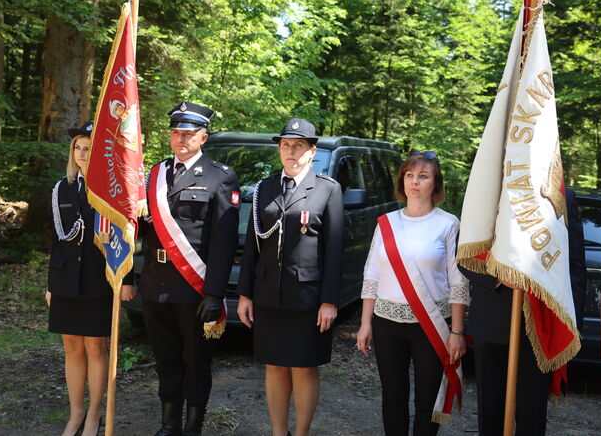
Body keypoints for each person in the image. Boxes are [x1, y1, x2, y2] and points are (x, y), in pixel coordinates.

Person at [237, 118, 344, 436]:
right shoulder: (264, 189)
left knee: (303, 366)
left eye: (298, 146)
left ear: (312, 152)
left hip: (307, 297)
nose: (291, 151)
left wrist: (329, 300)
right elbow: (252, 246)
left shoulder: (327, 189)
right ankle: (278, 431)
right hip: (269, 292)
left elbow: (335, 250)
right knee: (274, 364)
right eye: (285, 145)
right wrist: (245, 294)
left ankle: (301, 433)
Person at [140, 102, 240, 436]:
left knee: (196, 363)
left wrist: (215, 293)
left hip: (194, 289)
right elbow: (139, 227)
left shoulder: (220, 177)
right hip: (156, 285)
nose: (180, 139)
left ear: (203, 137)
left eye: (188, 133)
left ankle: (193, 426)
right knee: (166, 360)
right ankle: (169, 424)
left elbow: (224, 243)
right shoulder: (153, 175)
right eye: (175, 132)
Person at [356, 151, 469, 436]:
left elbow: (458, 282)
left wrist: (457, 331)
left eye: (423, 176)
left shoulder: (448, 224)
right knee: (393, 397)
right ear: (402, 180)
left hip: (432, 325)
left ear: (436, 184)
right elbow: (372, 275)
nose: (415, 182)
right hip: (386, 323)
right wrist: (366, 323)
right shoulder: (385, 223)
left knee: (427, 401)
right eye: (409, 175)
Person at [461, 187, 586, 436]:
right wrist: (499, 277)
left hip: (541, 323)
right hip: (492, 317)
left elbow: (575, 268)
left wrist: (571, 325)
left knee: (532, 416)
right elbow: (464, 250)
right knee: (490, 413)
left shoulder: (562, 195)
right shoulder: (488, 187)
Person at [46, 121, 135, 436]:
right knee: (71, 346)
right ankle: (75, 414)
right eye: (78, 148)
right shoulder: (62, 188)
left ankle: (95, 415)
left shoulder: (113, 189)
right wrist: (50, 285)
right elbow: (55, 240)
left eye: (88, 148)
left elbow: (127, 236)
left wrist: (127, 279)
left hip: (100, 278)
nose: (82, 153)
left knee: (96, 347)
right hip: (66, 278)